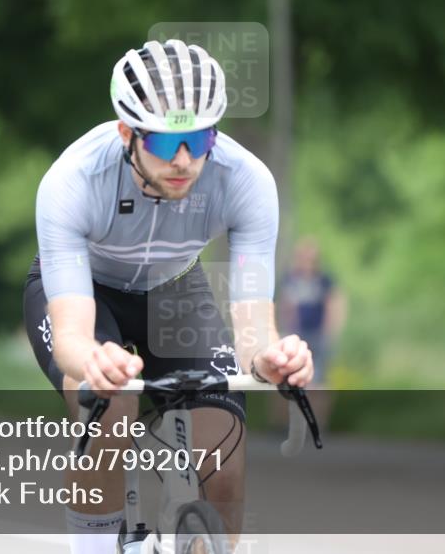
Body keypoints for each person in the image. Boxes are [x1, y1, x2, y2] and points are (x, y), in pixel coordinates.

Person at [23, 38, 314, 554]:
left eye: (199, 140)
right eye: (162, 144)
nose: (183, 160)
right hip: (86, 293)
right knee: (111, 412)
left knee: (224, 445)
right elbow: (70, 337)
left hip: (175, 290)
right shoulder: (72, 181)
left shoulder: (246, 181)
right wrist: (95, 359)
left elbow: (252, 329)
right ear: (126, 134)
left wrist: (271, 357)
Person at [278, 238, 347, 425]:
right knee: (287, 379)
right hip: (296, 333)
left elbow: (334, 304)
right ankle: (286, 424)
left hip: (318, 334)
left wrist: (330, 331)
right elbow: (285, 305)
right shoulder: (290, 278)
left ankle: (318, 423)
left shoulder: (324, 280)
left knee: (319, 380)